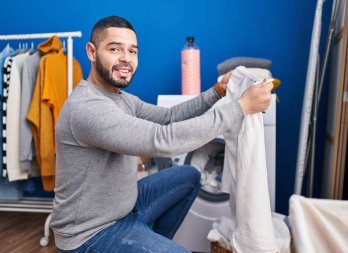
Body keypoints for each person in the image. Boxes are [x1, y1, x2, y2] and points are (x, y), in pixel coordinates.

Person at [50, 15, 274, 253]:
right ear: (92, 52)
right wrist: (241, 107)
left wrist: (217, 92)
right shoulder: (87, 107)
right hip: (91, 234)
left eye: (133, 51)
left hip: (126, 209)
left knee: (188, 175)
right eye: (114, 49)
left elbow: (169, 117)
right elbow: (162, 139)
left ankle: (145, 241)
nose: (126, 58)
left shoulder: (121, 98)